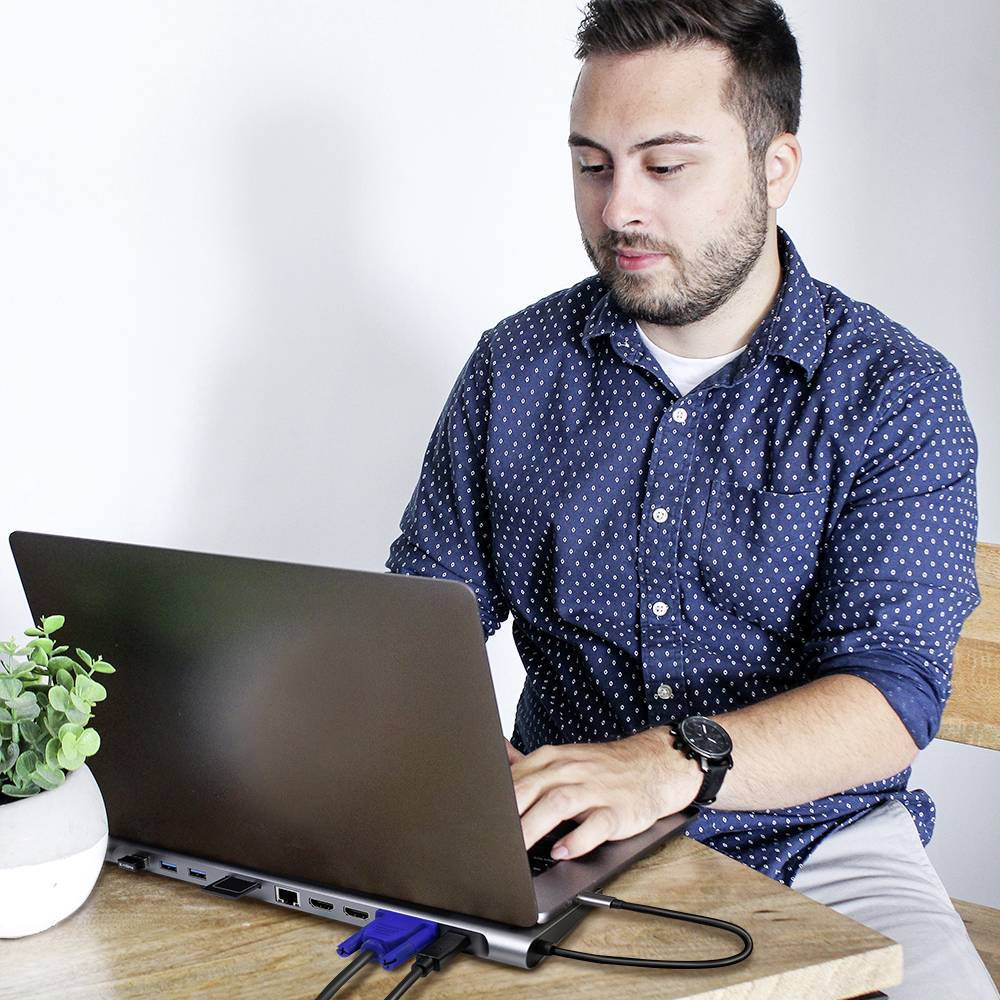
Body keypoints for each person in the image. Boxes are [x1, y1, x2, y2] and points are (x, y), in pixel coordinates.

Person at [386, 1, 996, 994]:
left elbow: (890, 697)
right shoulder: (515, 370)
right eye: (592, 164)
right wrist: (478, 777)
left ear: (775, 168)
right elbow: (416, 629)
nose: (620, 207)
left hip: (824, 840)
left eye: (665, 167)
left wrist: (665, 764)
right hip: (562, 843)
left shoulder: (895, 393)